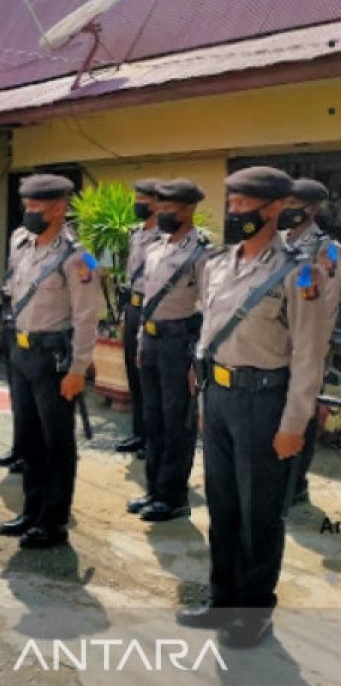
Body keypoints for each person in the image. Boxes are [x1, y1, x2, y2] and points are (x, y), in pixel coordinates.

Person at [178, 166, 331, 649]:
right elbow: (210, 325)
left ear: (274, 210)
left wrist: (294, 423)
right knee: (222, 507)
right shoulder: (220, 263)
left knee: (259, 512)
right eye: (232, 202)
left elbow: (310, 353)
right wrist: (204, 387)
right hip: (220, 396)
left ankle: (255, 610)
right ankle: (222, 600)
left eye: (244, 205)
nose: (234, 211)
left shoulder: (299, 270)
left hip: (265, 401)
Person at [0, 174, 99, 549]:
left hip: (53, 358)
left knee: (57, 441)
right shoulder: (20, 242)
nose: (29, 211)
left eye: (36, 206)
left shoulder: (77, 256)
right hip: (21, 351)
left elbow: (87, 317)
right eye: (27, 205)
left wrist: (78, 369)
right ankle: (31, 509)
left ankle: (53, 521)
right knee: (29, 438)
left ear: (59, 208)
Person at [131, 179, 211, 522]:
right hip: (151, 338)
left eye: (169, 209)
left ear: (189, 209)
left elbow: (211, 307)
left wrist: (199, 359)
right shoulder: (156, 246)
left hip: (180, 341)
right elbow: (149, 298)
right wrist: (140, 340)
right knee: (154, 417)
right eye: (159, 208)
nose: (161, 214)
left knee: (177, 419)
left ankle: (173, 496)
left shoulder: (202, 251)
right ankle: (154, 489)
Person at [280, 178, 341, 504]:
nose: (284, 210)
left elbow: (327, 304)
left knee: (301, 411)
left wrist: (309, 347)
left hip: (307, 346)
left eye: (292, 204)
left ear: (312, 209)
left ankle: (295, 484)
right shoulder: (275, 242)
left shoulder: (327, 249)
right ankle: (277, 477)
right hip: (273, 347)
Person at [117, 179, 162, 456]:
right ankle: (138, 432)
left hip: (152, 309)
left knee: (148, 375)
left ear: (158, 203)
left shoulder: (162, 238)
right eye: (138, 198)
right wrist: (125, 313)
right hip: (133, 307)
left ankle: (152, 439)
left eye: (144, 199)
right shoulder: (135, 234)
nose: (139, 204)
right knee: (133, 373)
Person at [0, 225, 32, 475]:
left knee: (34, 400)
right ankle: (19, 448)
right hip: (13, 317)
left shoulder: (67, 247)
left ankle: (32, 453)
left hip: (39, 327)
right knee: (18, 393)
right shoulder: (17, 235)